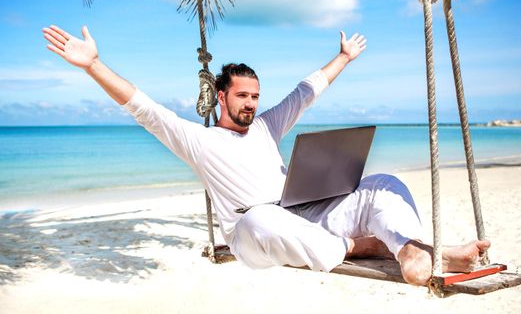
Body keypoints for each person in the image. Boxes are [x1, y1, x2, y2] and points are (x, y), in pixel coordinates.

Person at [43, 25, 490, 286]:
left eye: (256, 96)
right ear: (222, 96)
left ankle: (414, 251)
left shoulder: (266, 127)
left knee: (382, 184)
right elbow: (143, 108)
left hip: (304, 219)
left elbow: (305, 93)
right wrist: (92, 66)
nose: (251, 104)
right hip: (252, 234)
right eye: (242, 96)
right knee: (260, 216)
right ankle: (368, 246)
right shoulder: (197, 140)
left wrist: (343, 58)